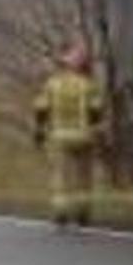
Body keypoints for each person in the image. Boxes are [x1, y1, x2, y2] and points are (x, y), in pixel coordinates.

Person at [32, 42, 103, 226]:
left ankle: (61, 212)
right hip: (84, 136)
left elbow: (41, 109)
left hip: (60, 136)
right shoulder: (89, 85)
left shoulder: (53, 84)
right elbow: (96, 112)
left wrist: (39, 131)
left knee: (61, 177)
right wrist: (98, 132)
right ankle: (83, 214)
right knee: (84, 177)